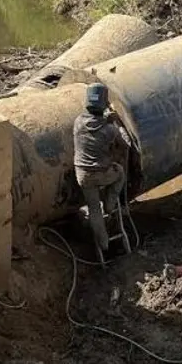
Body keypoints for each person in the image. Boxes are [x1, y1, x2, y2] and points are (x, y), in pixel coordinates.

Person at [73, 83, 130, 255]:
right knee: (120, 173)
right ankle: (111, 204)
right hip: (102, 174)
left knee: (93, 208)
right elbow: (126, 144)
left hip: (82, 174)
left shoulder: (78, 122)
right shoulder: (109, 130)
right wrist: (117, 122)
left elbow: (92, 124)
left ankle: (104, 244)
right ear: (105, 104)